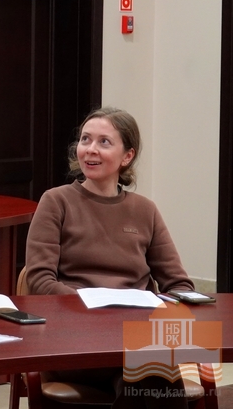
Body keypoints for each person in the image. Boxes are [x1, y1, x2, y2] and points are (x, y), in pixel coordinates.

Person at [25, 106, 194, 409]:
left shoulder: (145, 210)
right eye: (85, 139)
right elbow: (40, 281)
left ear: (127, 156)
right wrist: (98, 306)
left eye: (104, 142)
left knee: (156, 374)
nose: (90, 149)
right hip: (76, 340)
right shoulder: (56, 201)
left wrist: (172, 305)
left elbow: (179, 283)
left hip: (134, 339)